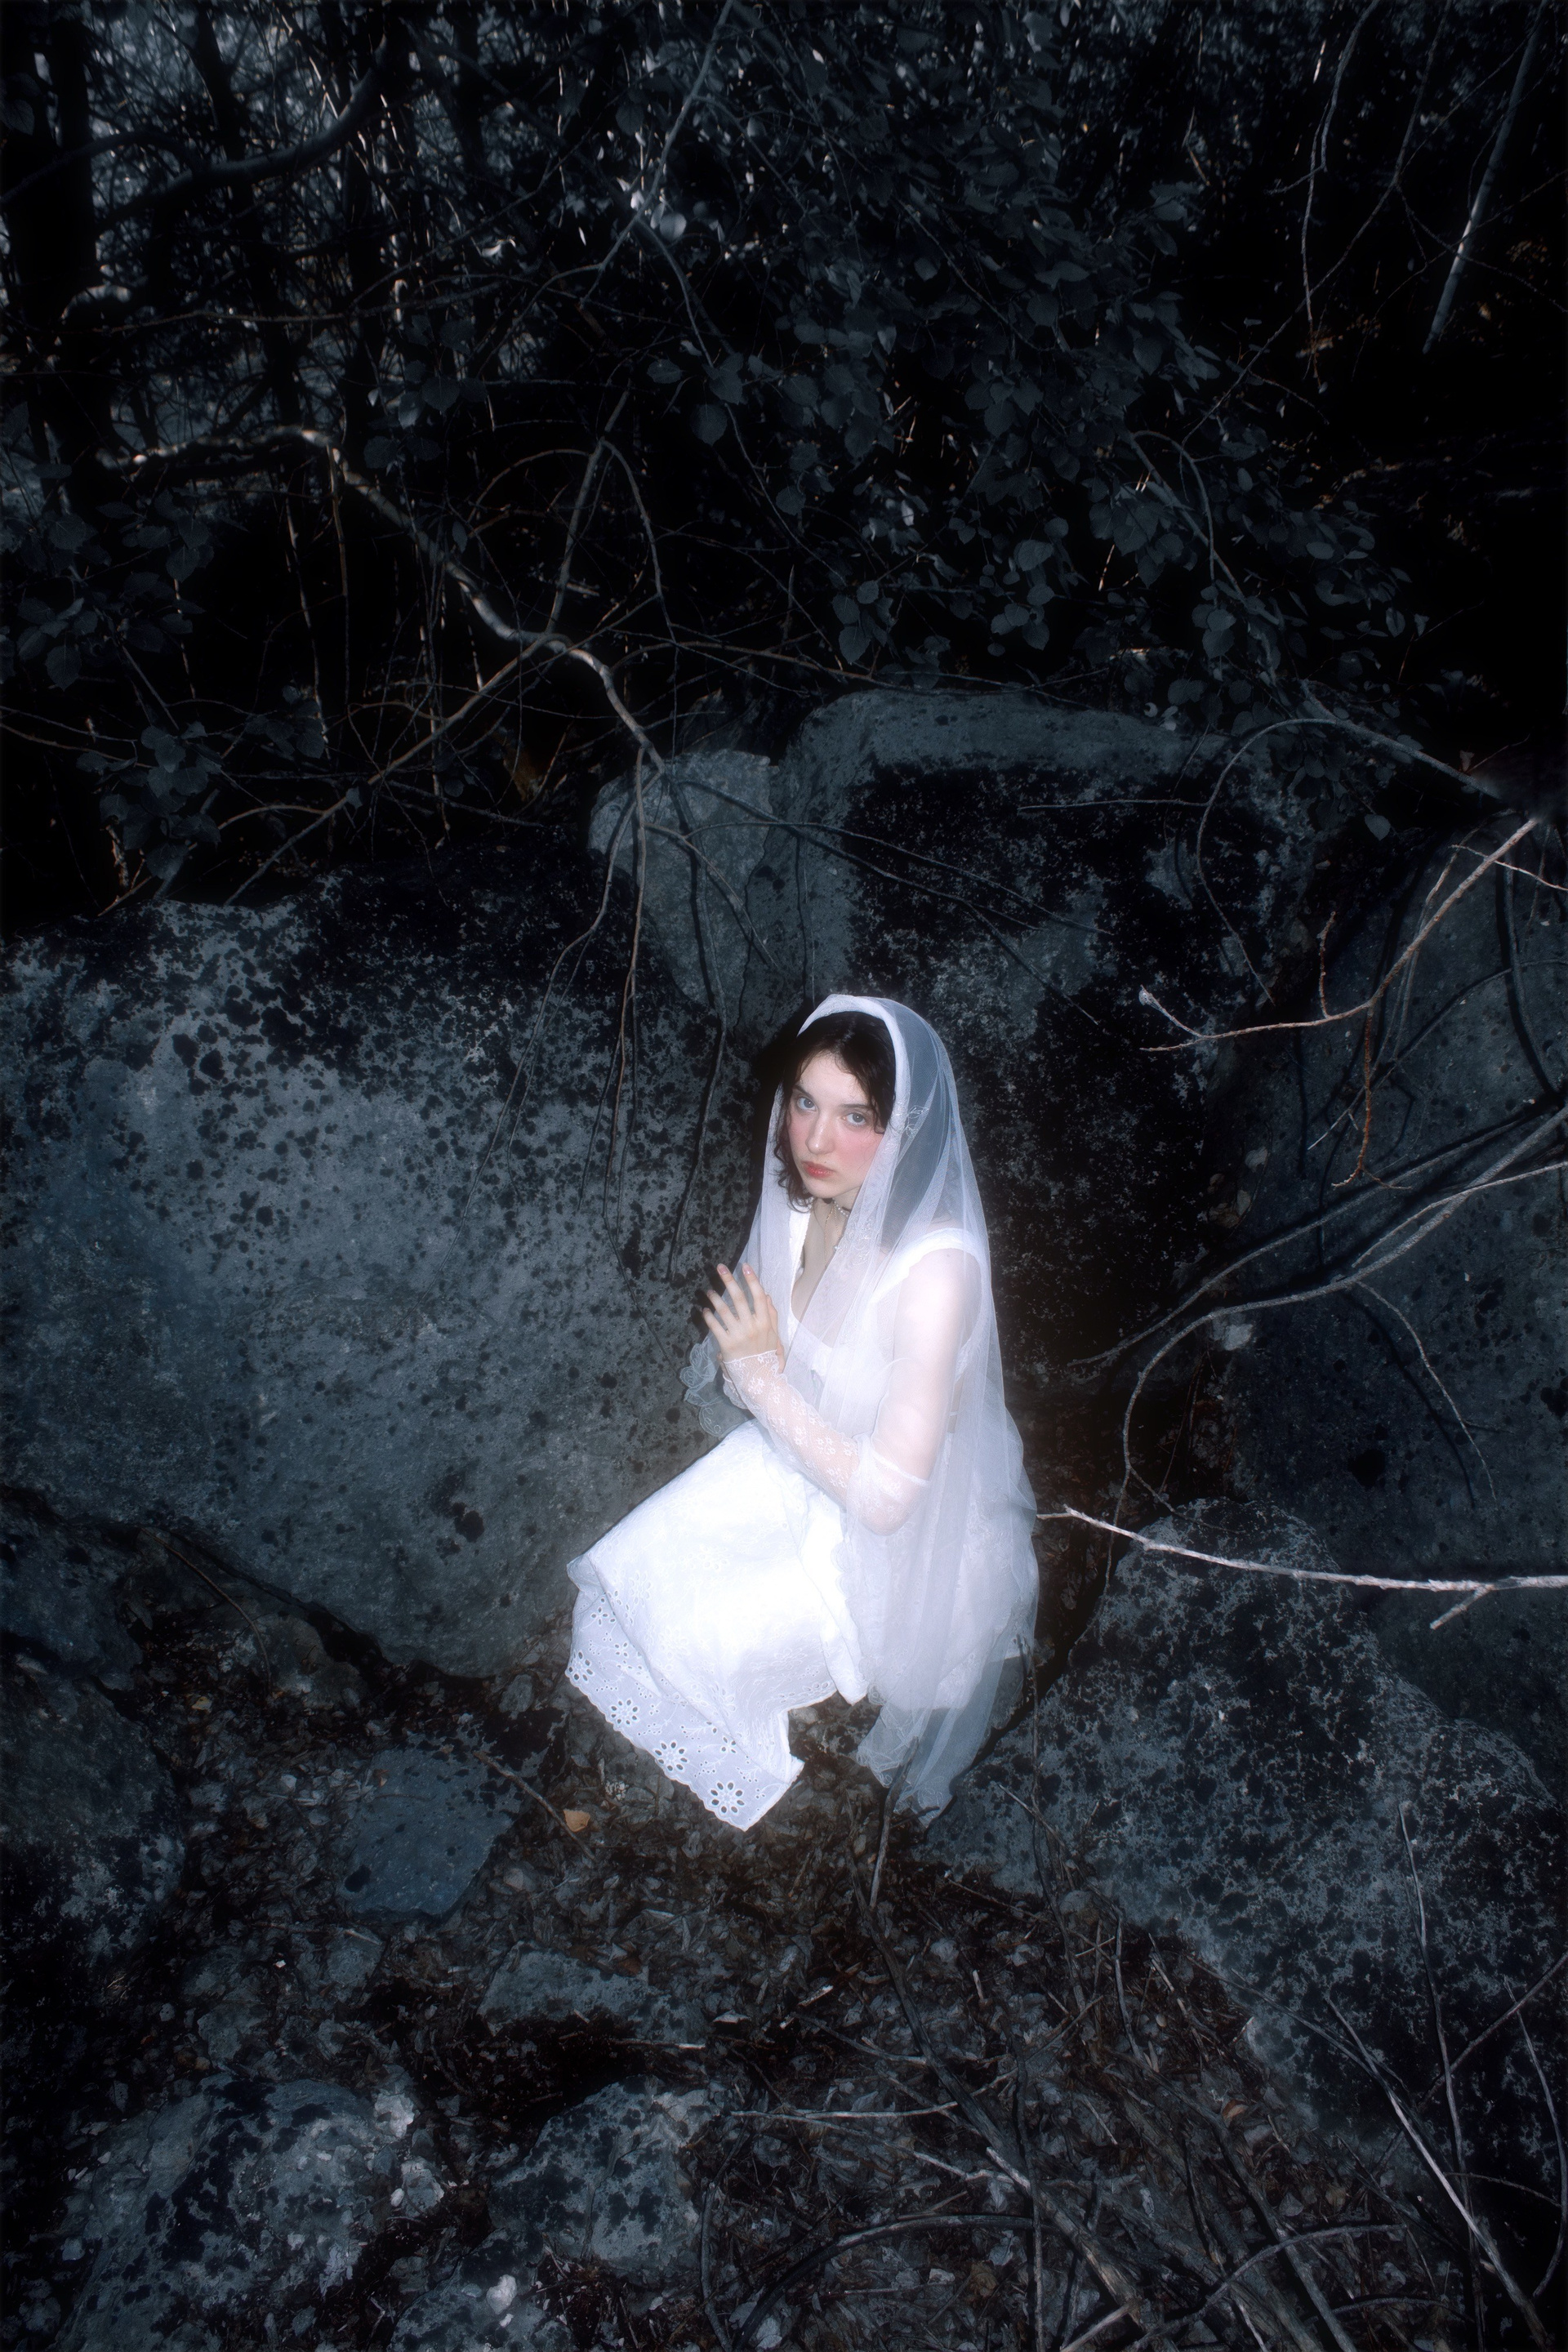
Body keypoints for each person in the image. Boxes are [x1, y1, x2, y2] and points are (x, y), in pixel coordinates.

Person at [564, 995, 1037, 1827]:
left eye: (857, 1116)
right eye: (805, 1101)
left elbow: (887, 1503)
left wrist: (760, 1381)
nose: (815, 1141)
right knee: (634, 1574)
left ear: (904, 1129)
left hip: (897, 1531)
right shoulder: (799, 1200)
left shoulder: (934, 1275)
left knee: (698, 1634)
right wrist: (760, 1374)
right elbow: (767, 1346)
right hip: (799, 1455)